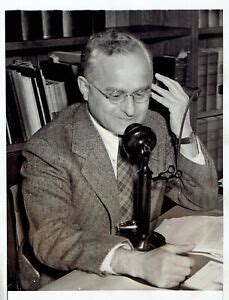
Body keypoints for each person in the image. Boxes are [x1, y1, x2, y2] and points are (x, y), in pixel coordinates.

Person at [20, 30, 218, 288]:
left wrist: (185, 130)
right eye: (115, 95)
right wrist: (134, 263)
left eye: (141, 93)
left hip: (149, 264)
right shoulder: (48, 148)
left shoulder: (154, 125)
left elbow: (201, 199)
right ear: (85, 89)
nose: (131, 110)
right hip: (78, 276)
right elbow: (52, 239)